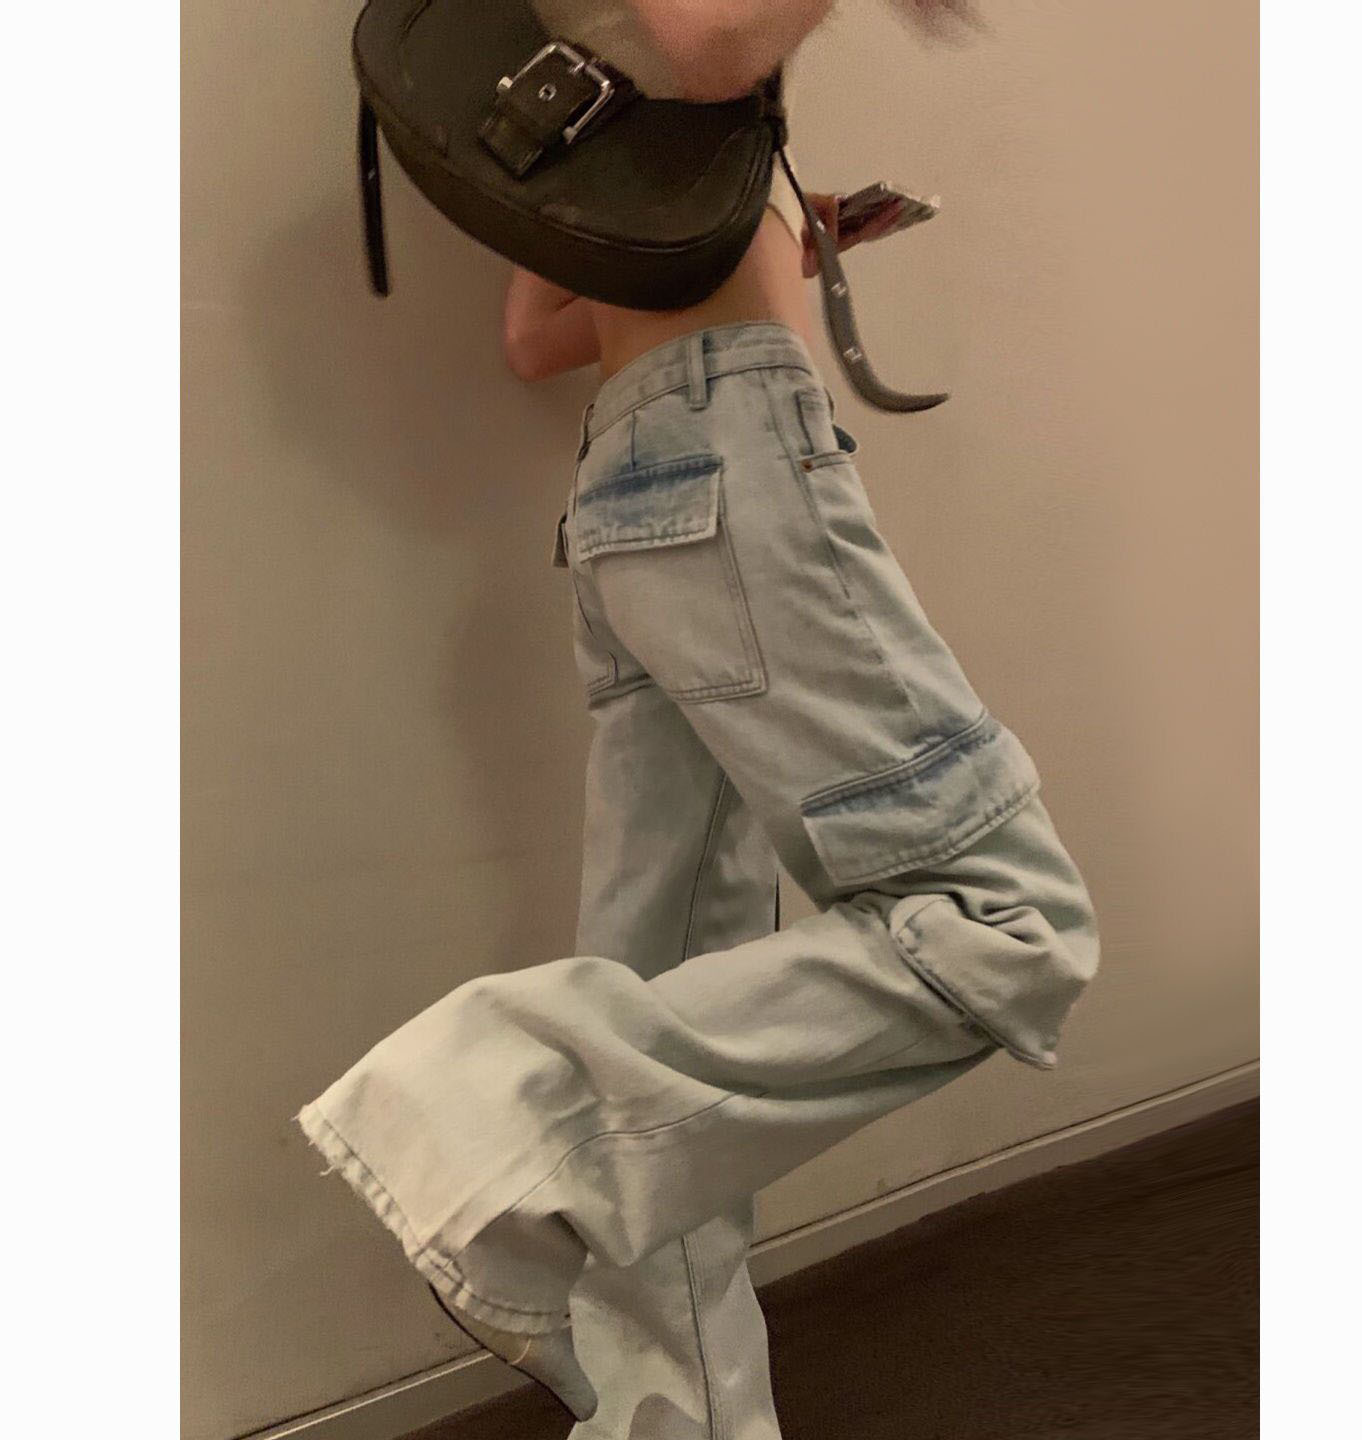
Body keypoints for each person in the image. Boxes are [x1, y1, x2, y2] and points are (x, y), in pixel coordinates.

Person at [297, 2, 1100, 1435]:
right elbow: (712, 34)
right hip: (734, 459)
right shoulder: (659, 46)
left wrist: (796, 228)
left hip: (632, 494)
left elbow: (533, 338)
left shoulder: (585, 100)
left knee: (668, 987)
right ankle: (486, 1121)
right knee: (1008, 921)